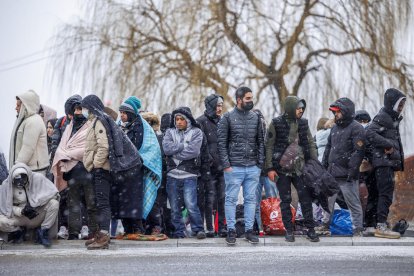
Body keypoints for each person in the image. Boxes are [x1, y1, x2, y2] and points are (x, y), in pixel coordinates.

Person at [81, 94, 142, 249]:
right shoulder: (98, 120)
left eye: (85, 108)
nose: (84, 111)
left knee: (102, 204)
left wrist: (95, 164)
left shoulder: (99, 121)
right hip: (101, 168)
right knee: (101, 203)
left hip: (102, 169)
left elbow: (103, 147)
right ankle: (102, 234)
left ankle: (103, 236)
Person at [265, 96, 319, 242]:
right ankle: (289, 230)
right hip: (281, 169)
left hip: (300, 168)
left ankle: (311, 229)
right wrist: (269, 168)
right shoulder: (276, 123)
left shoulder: (303, 123)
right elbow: (269, 146)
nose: (301, 110)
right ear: (290, 108)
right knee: (285, 200)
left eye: (302, 108)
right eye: (298, 108)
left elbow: (310, 143)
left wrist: (314, 162)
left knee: (306, 199)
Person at [217, 87, 264, 245]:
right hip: (234, 167)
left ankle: (249, 231)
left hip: (252, 167)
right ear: (239, 100)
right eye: (248, 98)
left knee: (251, 200)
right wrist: (226, 165)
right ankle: (231, 230)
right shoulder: (227, 118)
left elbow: (261, 142)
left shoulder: (256, 118)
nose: (251, 101)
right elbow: (221, 144)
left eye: (251, 98)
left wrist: (260, 164)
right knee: (230, 199)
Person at [52, 99, 97, 240]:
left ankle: (93, 231)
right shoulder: (69, 128)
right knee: (73, 203)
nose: (78, 112)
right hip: (72, 173)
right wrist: (66, 154)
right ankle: (73, 232)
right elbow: (61, 147)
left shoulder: (91, 126)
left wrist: (69, 154)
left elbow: (88, 148)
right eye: (76, 110)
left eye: (80, 109)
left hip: (87, 170)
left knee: (90, 203)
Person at [118, 97, 162, 237]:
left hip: (136, 170)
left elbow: (140, 147)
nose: (121, 115)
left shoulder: (141, 127)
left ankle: (138, 228)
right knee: (124, 200)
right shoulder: (121, 126)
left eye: (124, 112)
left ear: (131, 113)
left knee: (135, 200)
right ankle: (128, 228)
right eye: (120, 112)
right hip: (124, 170)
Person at [366, 88, 406, 239]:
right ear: (391, 104)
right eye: (399, 104)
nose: (401, 108)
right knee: (385, 194)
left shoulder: (390, 118)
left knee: (376, 193)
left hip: (384, 162)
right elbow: (369, 132)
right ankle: (381, 225)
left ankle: (371, 225)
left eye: (403, 105)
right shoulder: (384, 117)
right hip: (384, 163)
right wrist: (387, 145)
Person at [322, 98, 365, 236]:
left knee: (353, 202)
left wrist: (352, 171)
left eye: (338, 112)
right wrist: (324, 167)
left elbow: (358, 151)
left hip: (347, 175)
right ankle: (325, 225)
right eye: (334, 112)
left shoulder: (356, 127)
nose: (335, 114)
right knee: (327, 202)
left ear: (345, 111)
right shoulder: (334, 128)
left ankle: (357, 228)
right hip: (332, 173)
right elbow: (328, 148)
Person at [163, 107, 206, 239]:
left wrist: (175, 152)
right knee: (174, 207)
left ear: (188, 120)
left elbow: (193, 152)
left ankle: (198, 229)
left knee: (191, 204)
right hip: (172, 175)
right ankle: (178, 232)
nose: (179, 122)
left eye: (182, 119)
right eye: (176, 119)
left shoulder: (197, 132)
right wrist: (182, 146)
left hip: (189, 175)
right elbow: (166, 149)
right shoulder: (170, 132)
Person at [0, 163, 59, 247]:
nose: (20, 183)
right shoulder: (6, 185)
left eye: (23, 179)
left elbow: (54, 194)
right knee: (1, 221)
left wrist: (37, 203)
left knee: (54, 203)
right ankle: (17, 232)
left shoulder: (38, 178)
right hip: (19, 217)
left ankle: (42, 232)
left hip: (37, 213)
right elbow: (4, 207)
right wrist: (21, 211)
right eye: (17, 180)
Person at [196, 94, 224, 237]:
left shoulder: (223, 121)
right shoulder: (200, 122)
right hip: (207, 168)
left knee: (222, 197)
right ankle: (208, 227)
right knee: (208, 198)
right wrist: (208, 161)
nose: (220, 108)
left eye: (221, 106)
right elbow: (199, 145)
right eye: (218, 105)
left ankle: (222, 227)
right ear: (211, 106)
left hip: (222, 167)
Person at [9, 90, 49, 174]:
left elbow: (28, 147)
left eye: (18, 105)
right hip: (26, 169)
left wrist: (17, 166)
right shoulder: (25, 120)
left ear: (26, 106)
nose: (15, 108)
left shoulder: (33, 121)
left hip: (33, 171)